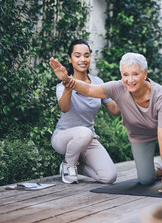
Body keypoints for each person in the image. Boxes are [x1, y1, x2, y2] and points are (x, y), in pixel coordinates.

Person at [49, 52, 162, 195]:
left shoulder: (161, 96)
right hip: (141, 131)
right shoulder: (117, 88)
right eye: (125, 74)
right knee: (145, 179)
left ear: (145, 73)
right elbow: (89, 89)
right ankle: (157, 168)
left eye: (135, 74)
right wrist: (67, 80)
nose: (130, 80)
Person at [51, 39, 120, 184]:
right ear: (70, 59)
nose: (83, 59)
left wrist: (128, 94)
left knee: (109, 177)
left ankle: (77, 166)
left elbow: (114, 110)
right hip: (63, 138)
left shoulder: (97, 83)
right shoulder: (62, 84)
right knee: (85, 132)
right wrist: (68, 86)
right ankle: (67, 164)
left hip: (89, 139)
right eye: (77, 55)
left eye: (86, 55)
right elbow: (64, 108)